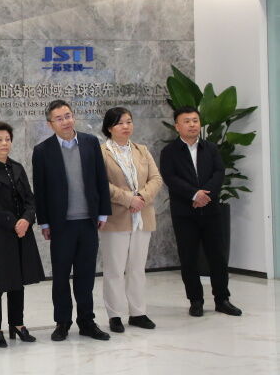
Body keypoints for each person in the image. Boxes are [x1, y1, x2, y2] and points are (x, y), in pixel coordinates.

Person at [32, 100, 112, 342]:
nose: (65, 121)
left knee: (86, 276)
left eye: (68, 115)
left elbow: (101, 178)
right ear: (50, 124)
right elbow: (40, 190)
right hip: (61, 224)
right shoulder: (42, 150)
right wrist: (44, 223)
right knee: (60, 276)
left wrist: (103, 212)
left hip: (88, 221)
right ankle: (62, 322)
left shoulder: (90, 142)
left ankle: (87, 321)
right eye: (59, 118)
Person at [159, 106, 241, 317]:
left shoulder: (211, 148)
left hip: (211, 211)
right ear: (177, 126)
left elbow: (218, 172)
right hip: (184, 213)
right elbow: (170, 178)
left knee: (217, 257)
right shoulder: (169, 152)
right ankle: (195, 301)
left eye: (195, 120)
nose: (192, 125)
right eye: (187, 121)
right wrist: (194, 195)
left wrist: (205, 196)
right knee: (189, 258)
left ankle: (222, 299)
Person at [0, 121, 44, 347]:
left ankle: (17, 323)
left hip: (21, 231)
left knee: (17, 280)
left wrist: (27, 219)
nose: (5, 143)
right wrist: (14, 223)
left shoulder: (17, 167)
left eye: (7, 139)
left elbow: (30, 199)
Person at [99, 107, 164, 332]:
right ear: (109, 127)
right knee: (115, 270)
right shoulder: (101, 152)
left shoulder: (142, 150)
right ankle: (115, 315)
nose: (126, 126)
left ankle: (138, 313)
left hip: (142, 216)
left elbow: (156, 179)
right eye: (120, 123)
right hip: (116, 218)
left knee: (137, 268)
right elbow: (101, 183)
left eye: (129, 121)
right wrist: (129, 199)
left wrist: (141, 198)